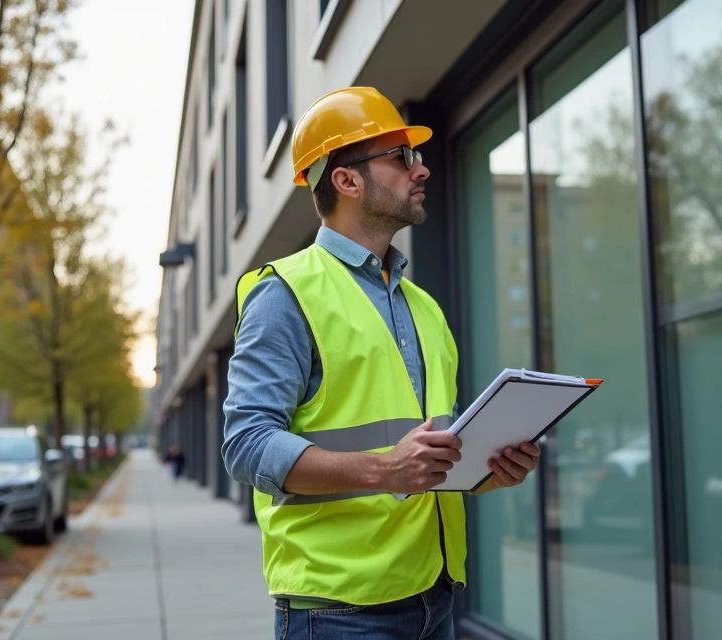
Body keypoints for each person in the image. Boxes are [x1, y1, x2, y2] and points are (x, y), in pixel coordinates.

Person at [222, 87, 542, 640]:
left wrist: (488, 469)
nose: (421, 171)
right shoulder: (286, 294)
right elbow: (245, 443)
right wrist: (385, 470)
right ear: (347, 181)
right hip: (338, 612)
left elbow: (429, 449)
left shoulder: (424, 306)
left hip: (434, 599)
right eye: (401, 157)